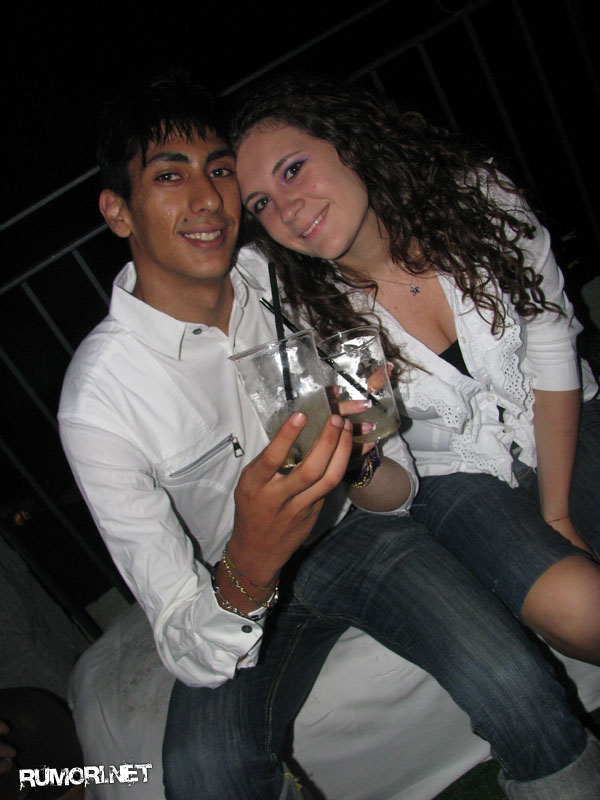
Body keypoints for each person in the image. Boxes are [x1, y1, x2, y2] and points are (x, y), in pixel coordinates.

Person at [58, 69, 600, 800]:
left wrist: (361, 453)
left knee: (512, 681)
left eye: (220, 171)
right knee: (204, 775)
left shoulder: (286, 282)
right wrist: (250, 562)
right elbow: (184, 636)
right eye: (169, 175)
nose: (207, 198)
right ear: (117, 211)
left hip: (355, 535)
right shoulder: (99, 404)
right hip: (234, 587)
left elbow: (396, 490)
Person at [231, 71, 600, 669]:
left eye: (292, 169)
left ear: (345, 142)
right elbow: (395, 490)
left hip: (560, 414)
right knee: (581, 610)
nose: (287, 209)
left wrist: (555, 511)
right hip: (453, 479)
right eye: (261, 204)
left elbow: (553, 345)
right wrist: (356, 456)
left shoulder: (473, 196)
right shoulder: (314, 316)